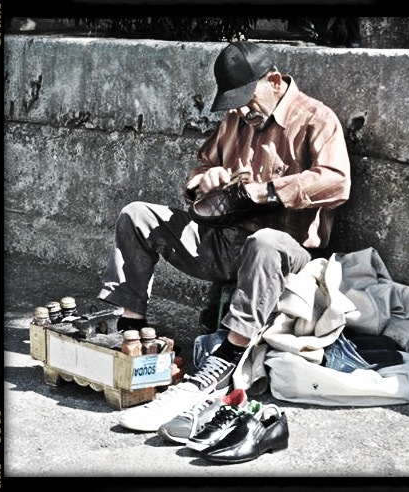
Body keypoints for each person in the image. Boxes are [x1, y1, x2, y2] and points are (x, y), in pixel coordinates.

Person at [97, 41, 351, 432]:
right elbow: (202, 168)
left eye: (246, 99)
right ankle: (131, 331)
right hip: (224, 242)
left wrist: (268, 191)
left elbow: (337, 183)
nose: (240, 110)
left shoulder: (316, 118)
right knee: (138, 215)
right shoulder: (236, 120)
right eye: (233, 103)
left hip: (285, 255)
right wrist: (204, 182)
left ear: (274, 81)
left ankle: (227, 357)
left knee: (264, 241)